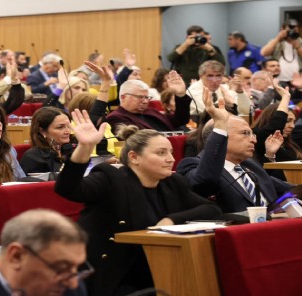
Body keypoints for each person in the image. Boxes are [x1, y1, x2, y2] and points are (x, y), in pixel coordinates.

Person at [55, 109, 221, 295]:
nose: (171, 159)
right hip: (114, 276)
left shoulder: (172, 183)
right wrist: (84, 148)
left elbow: (211, 209)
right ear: (134, 157)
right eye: (161, 153)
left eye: (171, 152)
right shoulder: (111, 178)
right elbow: (68, 189)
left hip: (156, 268)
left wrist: (171, 220)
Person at [177, 89, 302, 213]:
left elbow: (291, 190)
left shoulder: (251, 166)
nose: (254, 140)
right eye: (245, 133)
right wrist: (220, 127)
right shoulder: (191, 165)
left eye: (252, 134)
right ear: (220, 137)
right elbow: (205, 181)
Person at [106, 71, 191, 134]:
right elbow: (138, 138)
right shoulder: (116, 117)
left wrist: (180, 95)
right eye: (140, 97)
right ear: (123, 97)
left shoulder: (151, 111)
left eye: (147, 97)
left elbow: (180, 120)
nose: (145, 101)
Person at [251, 88, 302, 181]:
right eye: (287, 121)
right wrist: (286, 97)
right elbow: (276, 125)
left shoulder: (288, 142)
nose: (292, 126)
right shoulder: (259, 136)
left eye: (294, 121)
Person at [20, 107, 72, 175]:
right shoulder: (32, 157)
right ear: (42, 131)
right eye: (60, 127)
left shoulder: (71, 151)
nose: (67, 131)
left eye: (69, 126)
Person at [260, 19, 302, 83]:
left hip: (298, 81)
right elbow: (263, 53)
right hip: (277, 79)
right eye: (290, 29)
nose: (292, 32)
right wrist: (278, 38)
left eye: (295, 30)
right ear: (282, 29)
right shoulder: (276, 42)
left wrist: (299, 48)